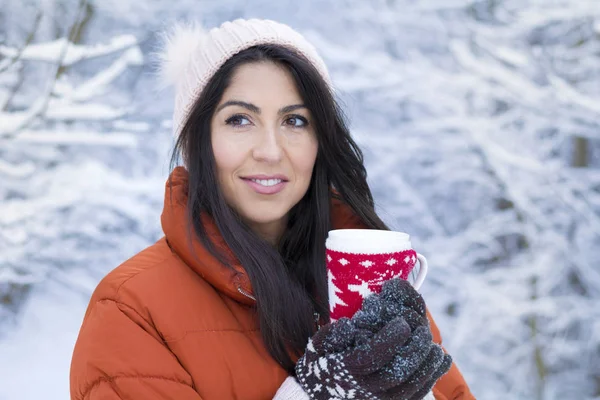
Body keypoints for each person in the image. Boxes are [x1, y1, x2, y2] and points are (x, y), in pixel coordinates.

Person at [69, 19, 475, 400]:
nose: (269, 151)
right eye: (240, 120)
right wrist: (317, 393)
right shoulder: (131, 309)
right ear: (197, 140)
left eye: (295, 121)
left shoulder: (373, 290)